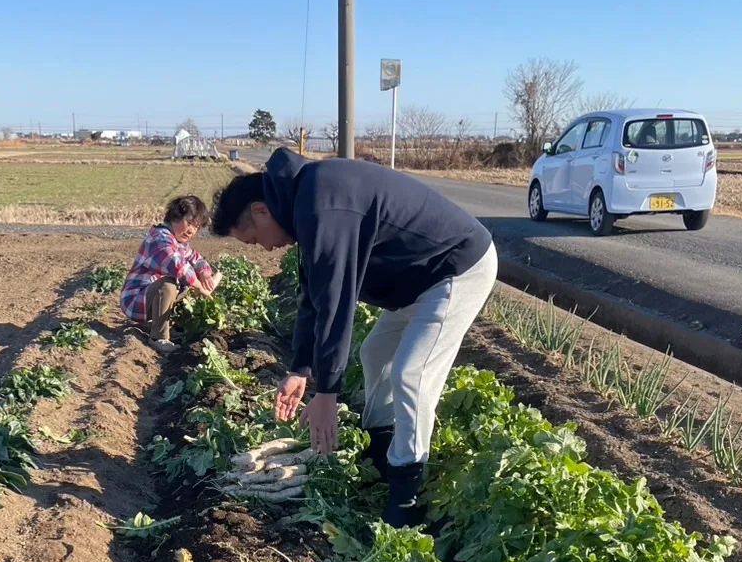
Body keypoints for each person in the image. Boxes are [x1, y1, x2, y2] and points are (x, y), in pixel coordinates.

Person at [210, 149, 498, 526]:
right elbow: (313, 295)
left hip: (455, 267)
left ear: (261, 211)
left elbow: (336, 302)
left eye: (253, 240)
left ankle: (406, 496)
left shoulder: (322, 205)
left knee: (411, 374)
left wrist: (327, 394)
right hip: (417, 280)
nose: (264, 248)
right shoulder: (306, 201)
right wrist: (300, 369)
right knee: (375, 352)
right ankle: (381, 448)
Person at [120, 195, 221, 354]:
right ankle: (158, 337)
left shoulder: (180, 243)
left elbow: (197, 259)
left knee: (186, 284)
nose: (191, 230)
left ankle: (173, 326)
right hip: (136, 300)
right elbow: (176, 265)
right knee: (169, 284)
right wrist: (199, 286)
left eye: (196, 227)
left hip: (150, 299)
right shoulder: (159, 237)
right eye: (189, 223)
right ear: (175, 216)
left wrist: (204, 273)